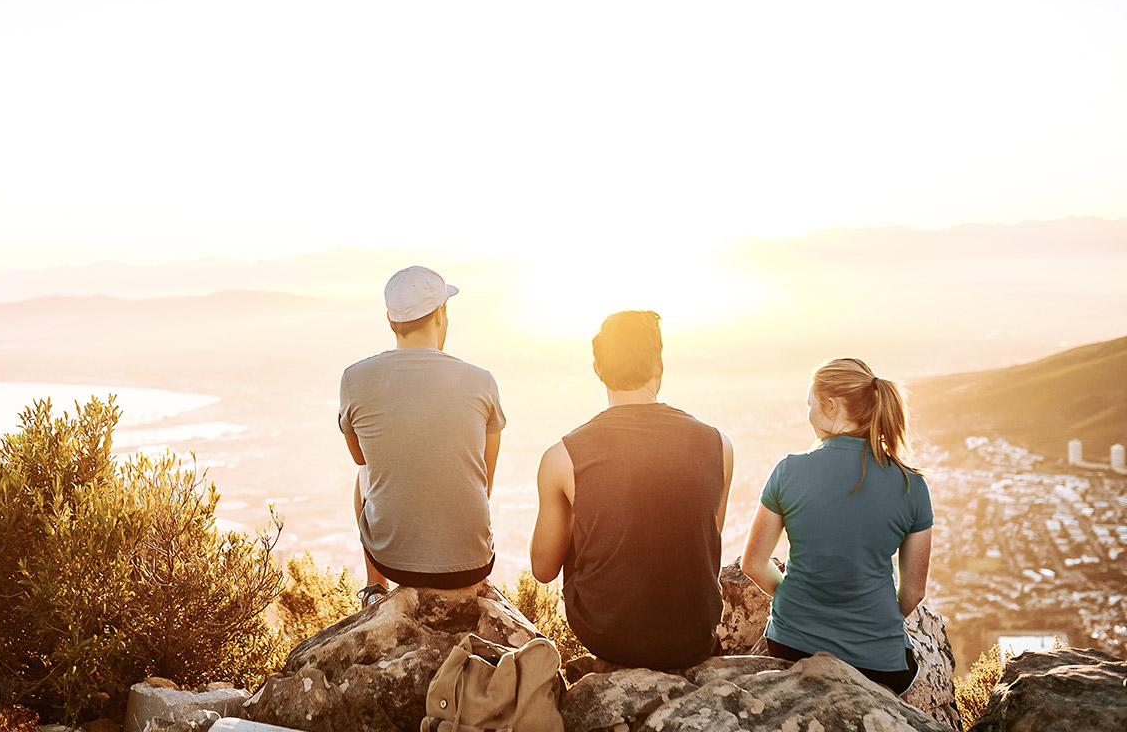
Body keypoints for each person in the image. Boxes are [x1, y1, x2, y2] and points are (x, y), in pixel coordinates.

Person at [529, 310, 735, 670]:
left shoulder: (561, 456)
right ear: (659, 365)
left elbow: (543, 569)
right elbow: (707, 535)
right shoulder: (719, 444)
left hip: (608, 635)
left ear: (598, 369)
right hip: (693, 636)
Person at [740, 358, 933, 694]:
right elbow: (914, 592)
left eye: (810, 404)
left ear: (829, 406)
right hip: (878, 664)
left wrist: (797, 602)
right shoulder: (911, 485)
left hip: (791, 646)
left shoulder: (788, 471)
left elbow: (753, 564)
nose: (808, 413)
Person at [339, 266, 506, 605]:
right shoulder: (481, 380)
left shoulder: (354, 379)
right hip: (472, 565)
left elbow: (361, 457)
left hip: (393, 563)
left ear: (390, 319)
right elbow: (485, 476)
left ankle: (375, 589)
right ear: (441, 315)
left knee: (364, 472)